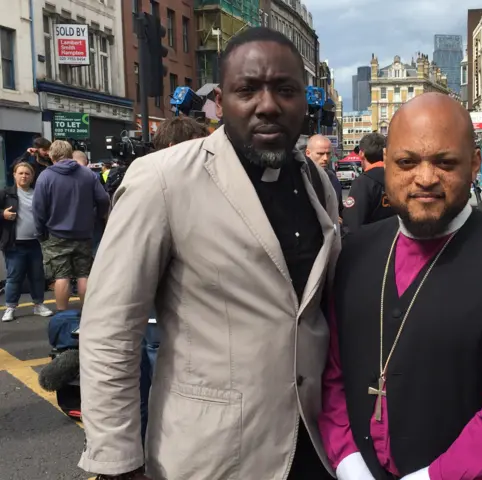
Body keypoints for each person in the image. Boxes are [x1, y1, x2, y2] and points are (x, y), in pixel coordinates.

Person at [78, 27, 340, 480]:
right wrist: (117, 460)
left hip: (313, 447)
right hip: (210, 456)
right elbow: (110, 329)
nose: (268, 105)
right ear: (220, 100)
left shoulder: (317, 184)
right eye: (247, 90)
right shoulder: (163, 180)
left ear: (305, 99)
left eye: (285, 90)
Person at [318, 93, 482, 480]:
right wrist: (349, 463)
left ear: (473, 165)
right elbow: (331, 375)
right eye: (407, 162)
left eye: (445, 162)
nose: (426, 178)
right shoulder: (355, 253)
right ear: (389, 168)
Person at [138, 115, 209, 445]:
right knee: (160, 388)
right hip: (159, 314)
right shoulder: (149, 188)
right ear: (171, 149)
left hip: (191, 322)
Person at [32, 140, 110, 311]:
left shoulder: (45, 176)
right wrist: (95, 217)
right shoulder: (87, 174)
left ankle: (62, 314)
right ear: (70, 154)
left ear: (51, 156)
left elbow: (38, 209)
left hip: (56, 235)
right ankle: (88, 313)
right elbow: (103, 199)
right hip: (83, 233)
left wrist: (40, 232)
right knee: (84, 275)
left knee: (62, 276)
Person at [0, 162, 54, 322]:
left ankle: (38, 305)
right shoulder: (6, 194)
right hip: (14, 244)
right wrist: (3, 214)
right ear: (14, 175)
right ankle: (10, 307)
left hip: (35, 243)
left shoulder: (37, 193)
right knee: (14, 277)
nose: (24, 176)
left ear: (32, 177)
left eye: (27, 173)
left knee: (37, 276)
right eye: (21, 173)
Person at [342, 133, 394, 232]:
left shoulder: (363, 182)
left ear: (361, 153)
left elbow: (352, 224)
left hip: (371, 243)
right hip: (397, 242)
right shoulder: (399, 178)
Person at [306, 134, 343, 216]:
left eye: (328, 153)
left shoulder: (333, 178)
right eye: (320, 154)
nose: (325, 158)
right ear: (308, 153)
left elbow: (339, 209)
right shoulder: (300, 177)